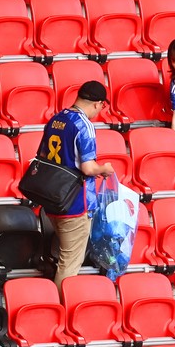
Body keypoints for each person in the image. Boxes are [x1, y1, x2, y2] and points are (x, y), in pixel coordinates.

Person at [37, 80, 114, 289]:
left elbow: (42, 156)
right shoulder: (83, 124)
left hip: (53, 198)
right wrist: (104, 169)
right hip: (75, 203)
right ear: (98, 104)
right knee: (69, 264)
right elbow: (88, 168)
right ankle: (62, 309)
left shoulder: (56, 119)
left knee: (65, 257)